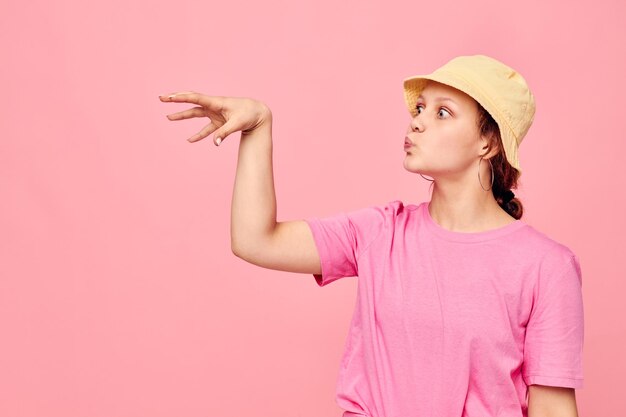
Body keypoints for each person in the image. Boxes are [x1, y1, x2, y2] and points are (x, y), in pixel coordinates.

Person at [158, 54, 584, 417]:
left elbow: (552, 409)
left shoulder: (546, 266)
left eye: (442, 112)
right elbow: (255, 240)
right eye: (419, 109)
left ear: (489, 143)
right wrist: (257, 127)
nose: (416, 123)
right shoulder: (380, 232)